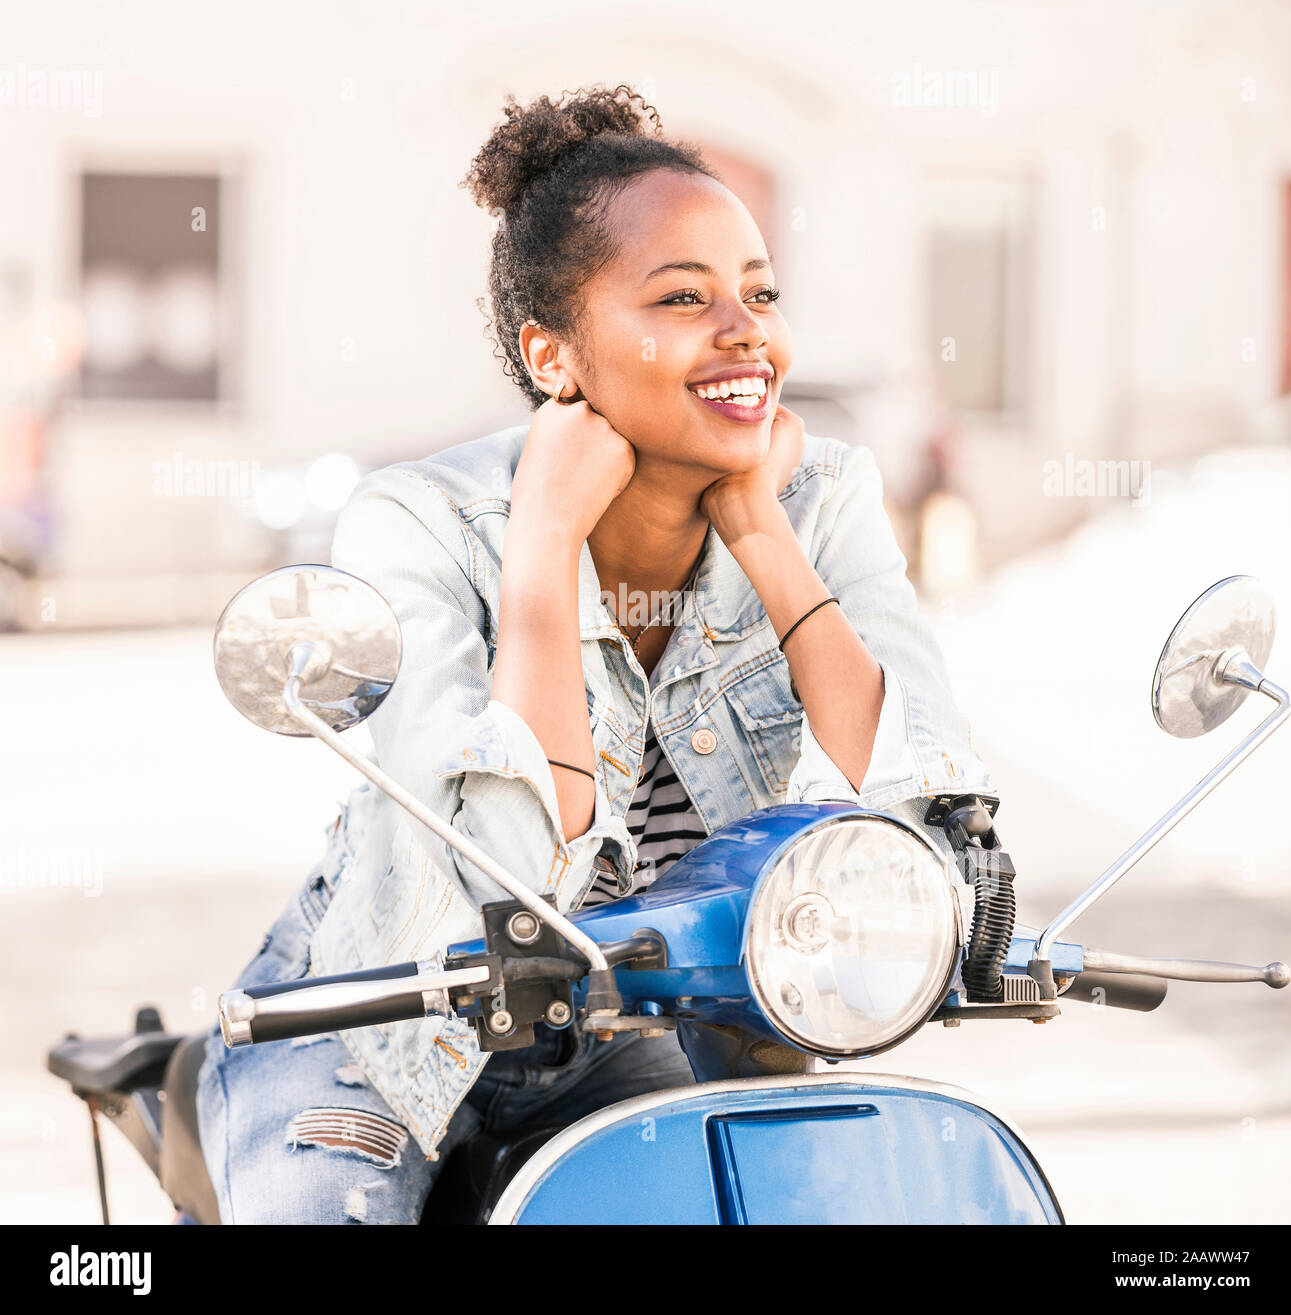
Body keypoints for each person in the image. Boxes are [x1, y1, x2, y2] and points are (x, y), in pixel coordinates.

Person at [195, 82, 999, 1224]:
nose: (744, 331)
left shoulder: (821, 499)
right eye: (682, 296)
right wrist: (543, 541)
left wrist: (763, 534)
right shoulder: (417, 518)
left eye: (759, 293)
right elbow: (508, 885)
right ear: (553, 353)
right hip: (374, 1026)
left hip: (622, 1026)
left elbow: (910, 808)